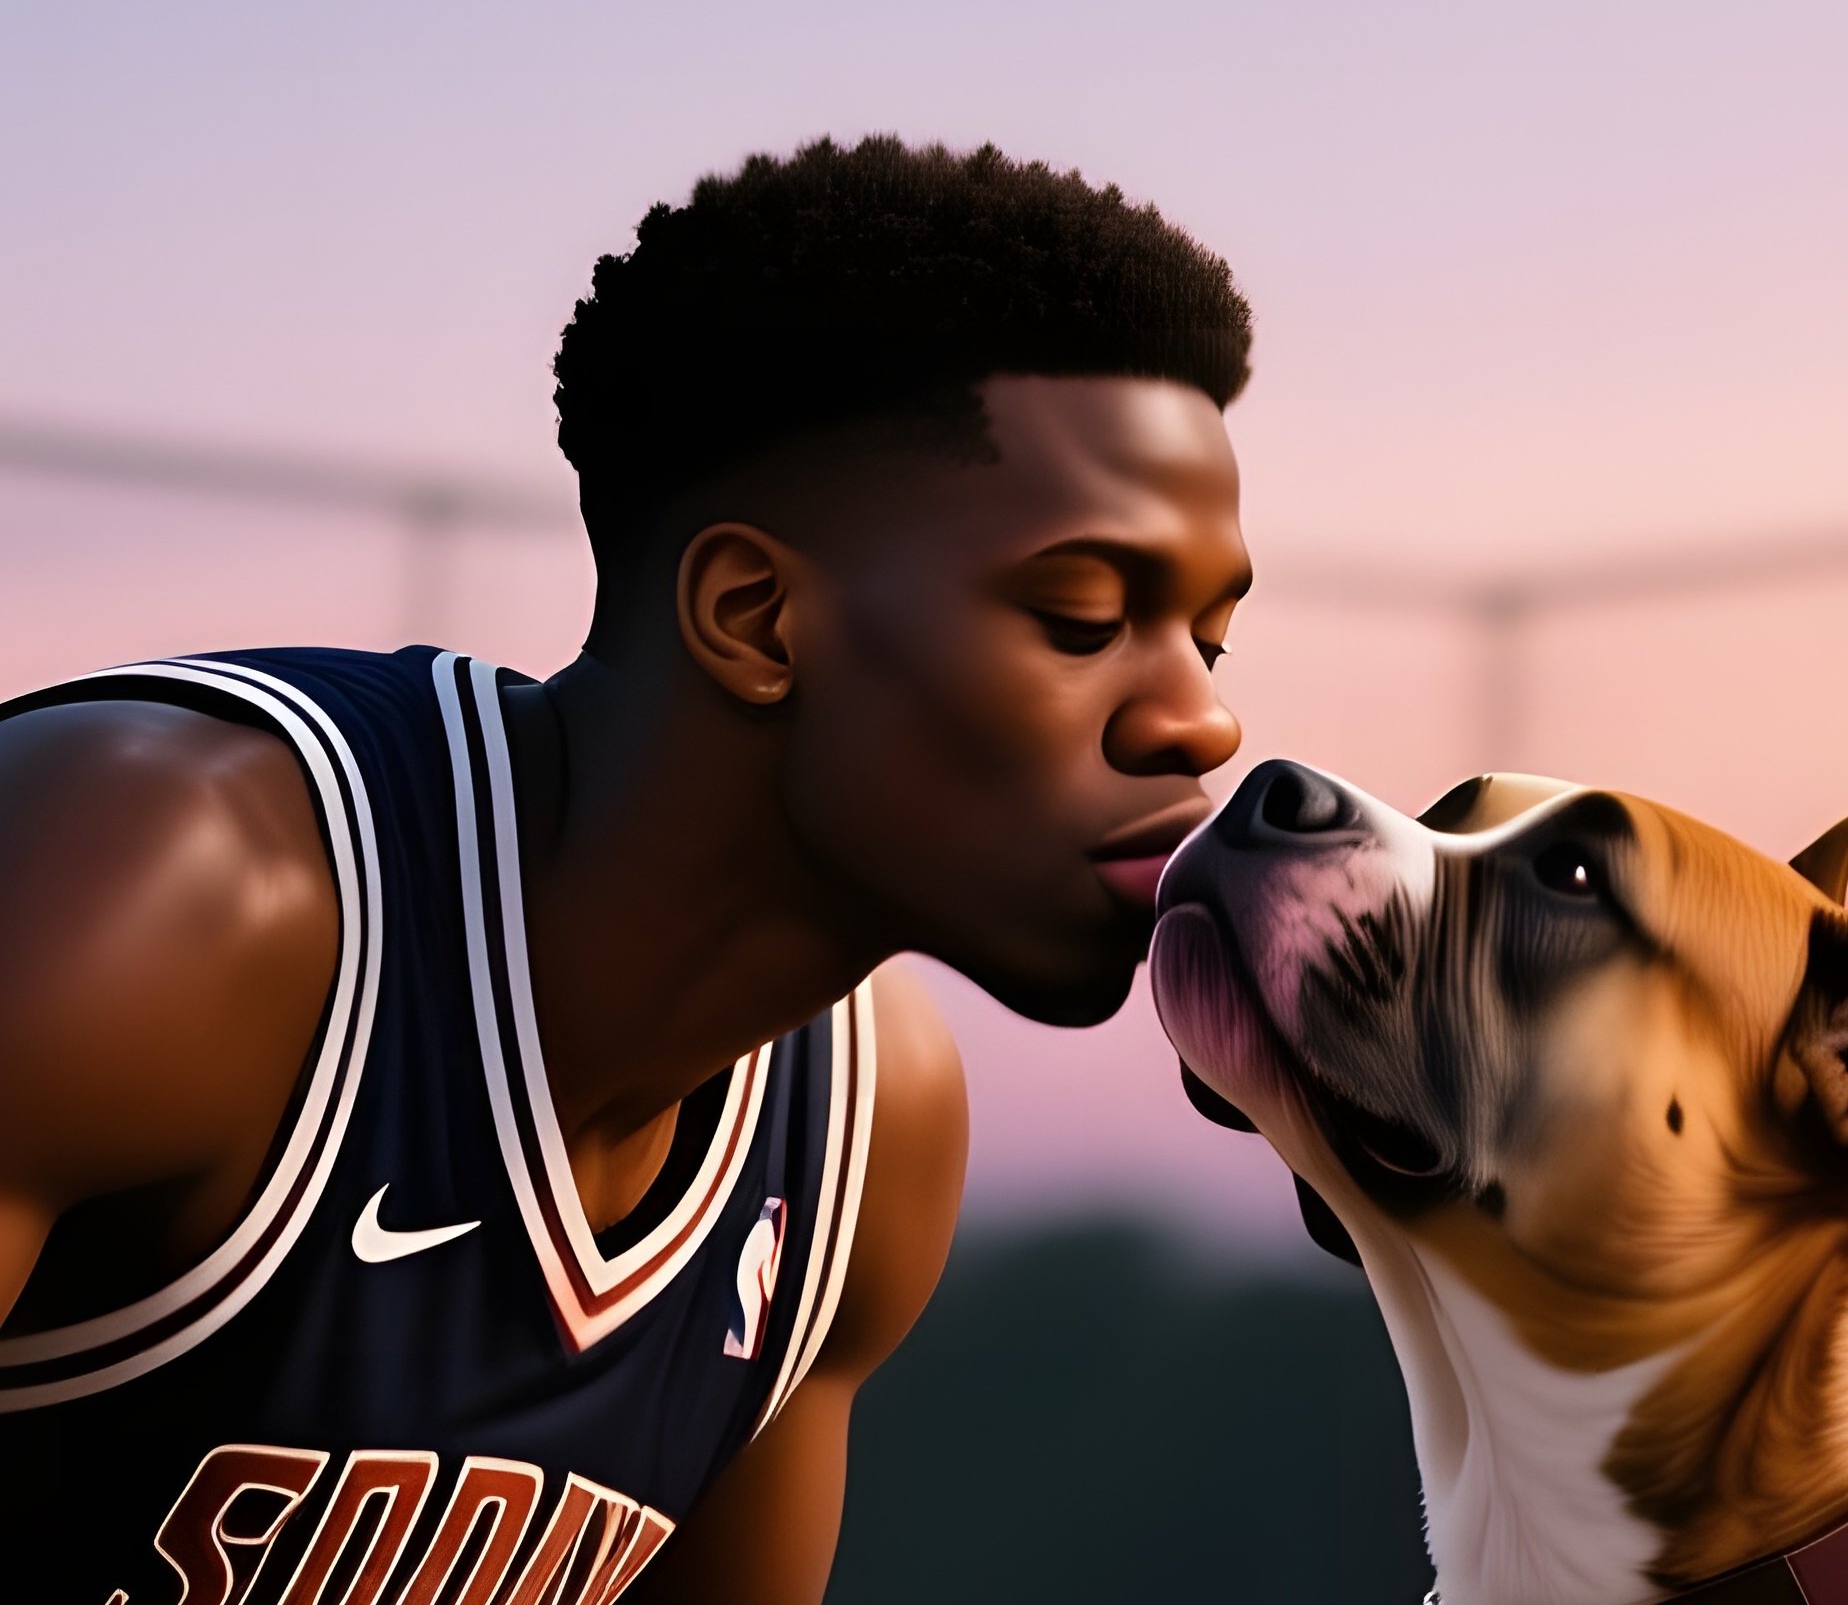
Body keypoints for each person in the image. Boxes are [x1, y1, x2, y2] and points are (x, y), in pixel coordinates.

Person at [0, 135, 1253, 1602]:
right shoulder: (154, 885)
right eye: (1082, 615)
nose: (1201, 717)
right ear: (756, 619)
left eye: (1209, 639)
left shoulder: (868, 1132)